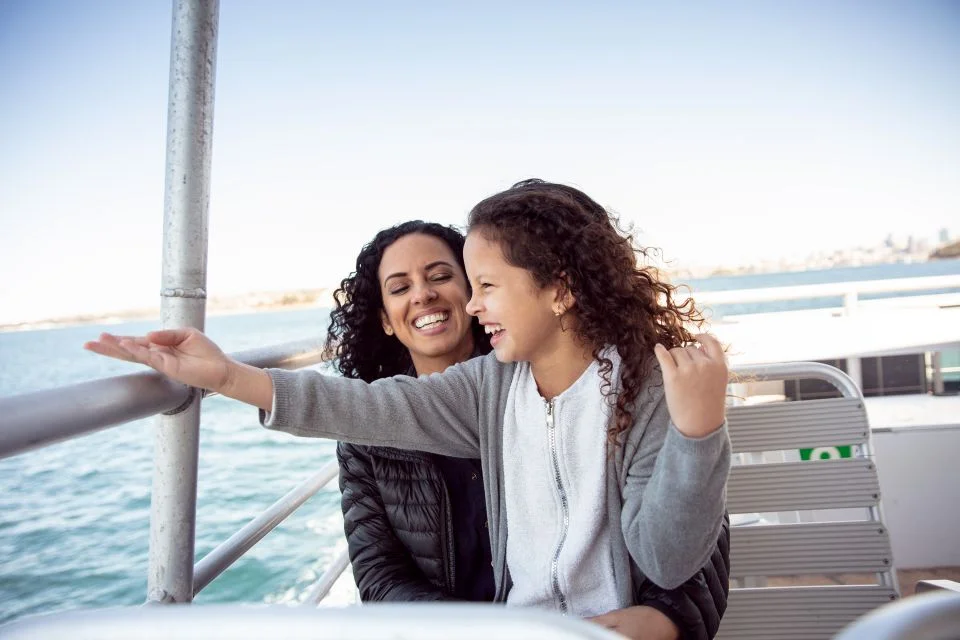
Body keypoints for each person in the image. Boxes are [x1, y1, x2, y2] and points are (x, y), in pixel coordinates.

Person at [85, 179, 731, 633]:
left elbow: (673, 560)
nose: (470, 303)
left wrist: (699, 433)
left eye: (480, 284)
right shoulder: (488, 388)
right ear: (384, 317)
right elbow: (360, 409)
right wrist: (227, 375)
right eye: (401, 287)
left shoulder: (646, 387)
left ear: (558, 289)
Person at [328, 220, 495, 602]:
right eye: (400, 288)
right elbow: (379, 578)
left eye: (440, 277)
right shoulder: (364, 432)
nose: (423, 295)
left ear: (472, 292)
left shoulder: (530, 384)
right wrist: (477, 628)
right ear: (386, 321)